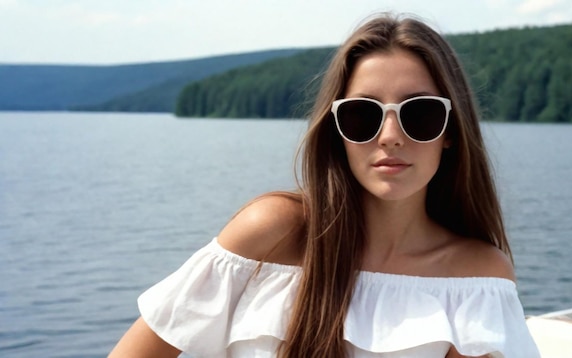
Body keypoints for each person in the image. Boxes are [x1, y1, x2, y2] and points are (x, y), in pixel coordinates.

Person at [109, 13, 540, 358]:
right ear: (337, 131)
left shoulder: (476, 276)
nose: (390, 135)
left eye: (420, 113)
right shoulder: (272, 232)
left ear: (450, 131)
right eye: (363, 115)